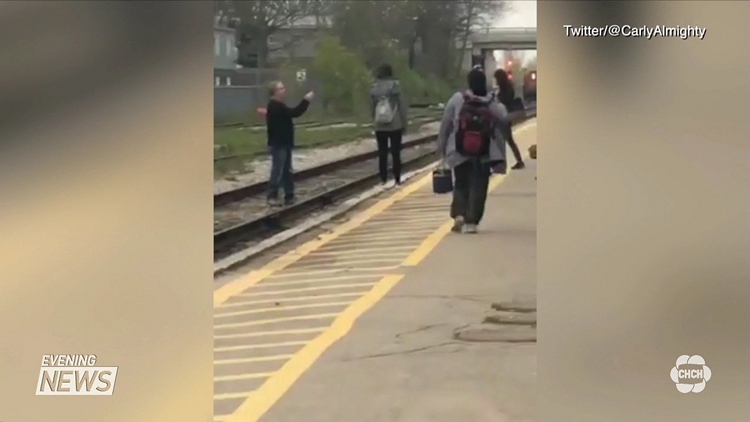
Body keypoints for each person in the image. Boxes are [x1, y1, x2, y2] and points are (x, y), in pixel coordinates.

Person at [437, 68, 508, 234]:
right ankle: (471, 222)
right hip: (483, 151)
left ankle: (459, 214)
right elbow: (503, 116)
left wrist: (441, 146)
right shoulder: (490, 101)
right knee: (479, 186)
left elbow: (446, 123)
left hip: (459, 149)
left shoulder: (458, 99)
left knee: (461, 183)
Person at [265, 80, 314, 206]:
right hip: (279, 144)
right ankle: (272, 195)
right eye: (281, 88)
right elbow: (295, 113)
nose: (284, 90)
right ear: (275, 92)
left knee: (286, 170)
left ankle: (289, 195)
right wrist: (306, 100)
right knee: (278, 170)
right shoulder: (275, 105)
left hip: (284, 143)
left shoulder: (279, 105)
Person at [370, 64, 408, 187]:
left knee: (382, 152)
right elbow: (401, 106)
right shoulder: (395, 86)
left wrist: (374, 120)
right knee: (396, 152)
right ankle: (397, 179)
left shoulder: (374, 87)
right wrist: (404, 123)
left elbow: (371, 107)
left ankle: (383, 179)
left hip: (380, 125)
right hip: (395, 124)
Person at [492, 68, 525, 170]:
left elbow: (504, 101)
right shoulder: (507, 87)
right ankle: (518, 161)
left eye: (496, 79)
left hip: (504, 117)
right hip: (505, 116)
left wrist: (496, 98)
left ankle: (500, 163)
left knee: (501, 139)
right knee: (508, 140)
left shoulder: (506, 90)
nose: (496, 81)